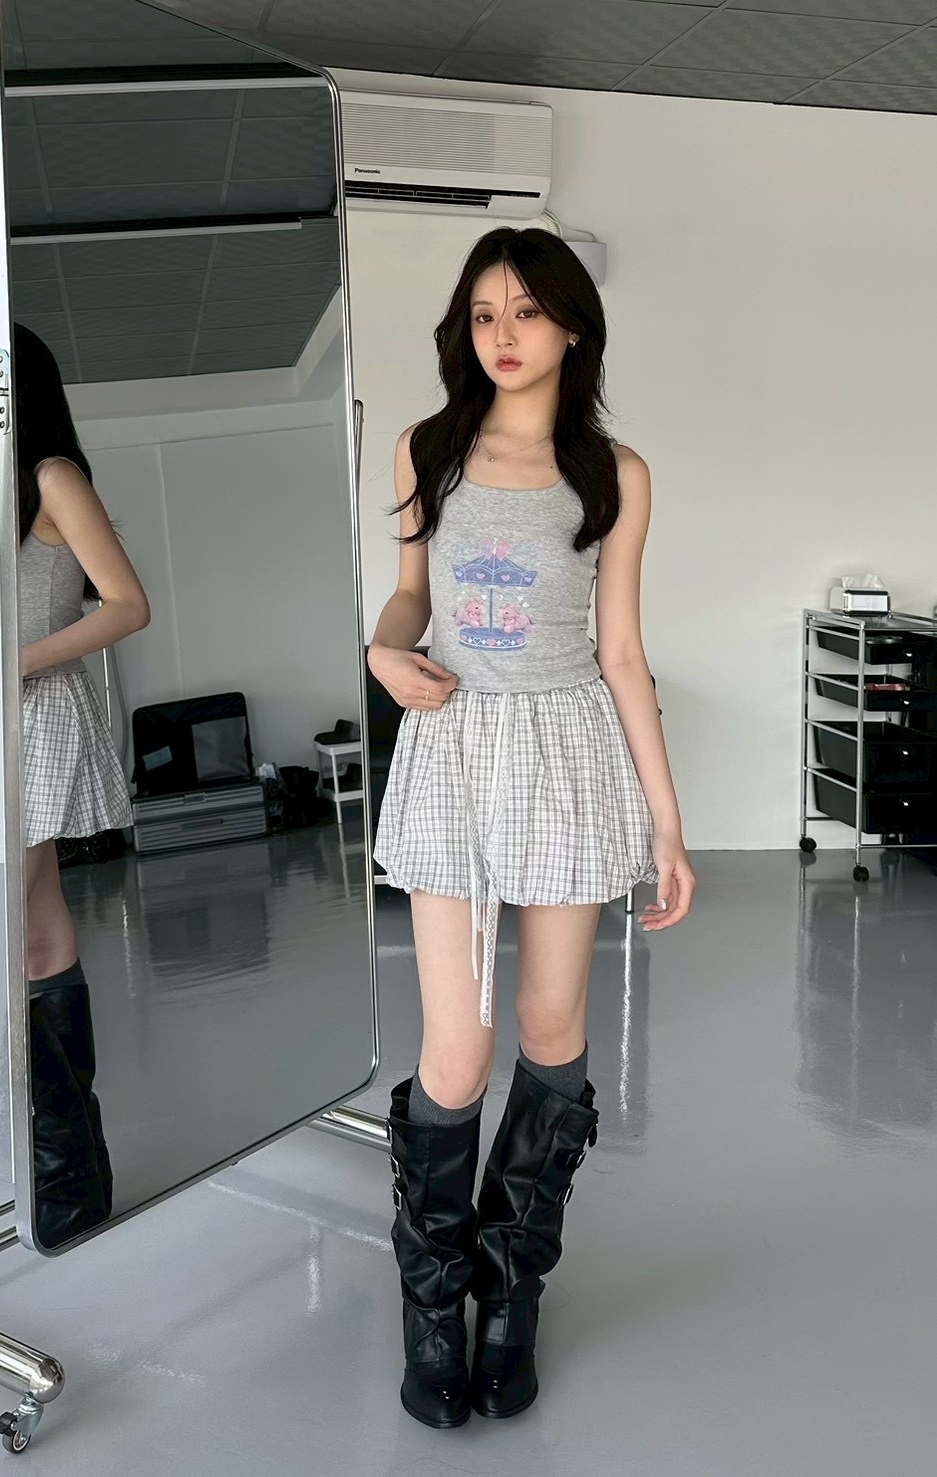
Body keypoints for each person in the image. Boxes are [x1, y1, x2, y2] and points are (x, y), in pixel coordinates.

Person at [369, 228, 695, 1428]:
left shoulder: (615, 472)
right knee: (457, 1049)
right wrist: (381, 648)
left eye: (524, 311)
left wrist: (666, 828)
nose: (502, 335)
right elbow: (412, 591)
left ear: (570, 326)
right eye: (482, 313)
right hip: (454, 747)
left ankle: (510, 1293)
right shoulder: (428, 448)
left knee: (552, 1028)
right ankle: (430, 1302)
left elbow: (622, 654)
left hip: (566, 755)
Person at [14, 323, 151, 1246]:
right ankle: (72, 1177)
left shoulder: (54, 476)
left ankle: (59, 1170)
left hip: (36, 712)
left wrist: (17, 662)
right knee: (35, 926)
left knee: (1, 924)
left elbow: (129, 603)